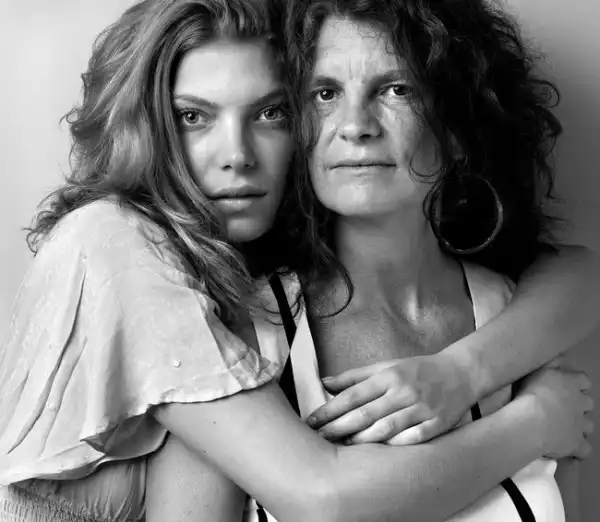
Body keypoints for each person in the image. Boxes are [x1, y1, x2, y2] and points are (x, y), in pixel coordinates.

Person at [0, 0, 595, 521]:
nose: (237, 155)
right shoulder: (136, 257)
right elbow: (323, 499)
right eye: (193, 116)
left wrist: (465, 374)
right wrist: (535, 423)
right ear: (147, 125)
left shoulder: (525, 328)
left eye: (269, 112)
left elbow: (580, 272)